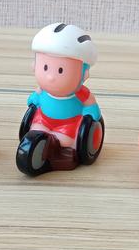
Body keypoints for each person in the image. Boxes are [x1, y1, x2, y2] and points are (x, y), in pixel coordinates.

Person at [25, 22, 100, 169]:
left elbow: (90, 104)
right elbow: (36, 96)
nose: (50, 77)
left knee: (63, 141)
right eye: (45, 67)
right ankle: (42, 148)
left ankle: (56, 152)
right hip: (43, 118)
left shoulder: (80, 93)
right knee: (35, 130)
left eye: (60, 70)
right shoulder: (43, 89)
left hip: (68, 124)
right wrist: (34, 99)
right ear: (34, 65)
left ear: (84, 74)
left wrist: (91, 112)